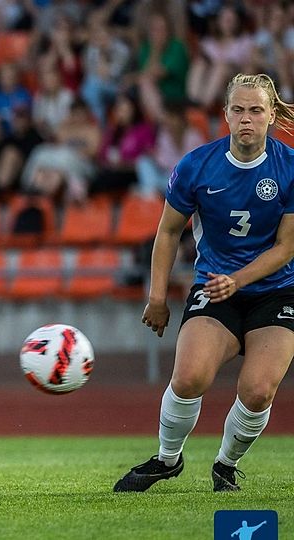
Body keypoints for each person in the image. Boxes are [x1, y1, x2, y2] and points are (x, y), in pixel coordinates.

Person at [114, 73, 294, 493]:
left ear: (270, 115)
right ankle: (166, 459)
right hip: (214, 288)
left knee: (258, 390)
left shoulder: (289, 168)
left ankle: (226, 464)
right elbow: (166, 233)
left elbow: (286, 249)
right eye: (238, 110)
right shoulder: (196, 165)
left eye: (255, 111)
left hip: (277, 290)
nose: (246, 119)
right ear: (225, 115)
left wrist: (239, 279)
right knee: (189, 378)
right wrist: (157, 297)